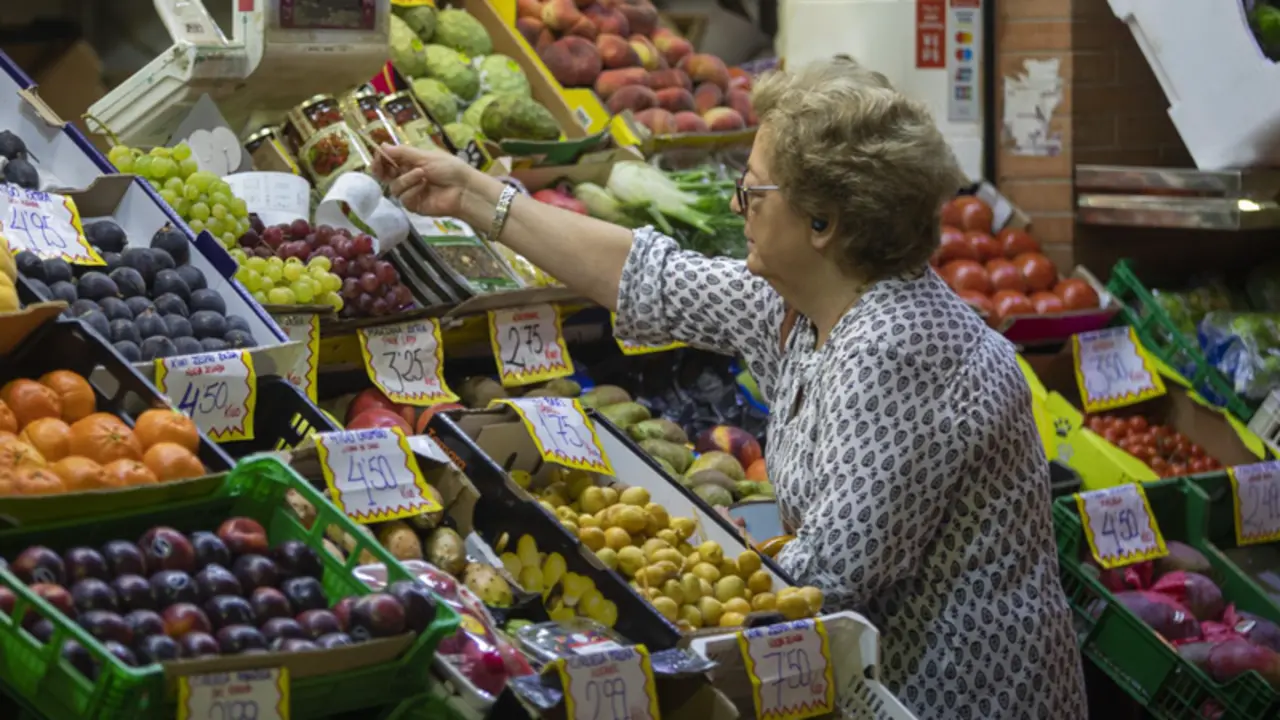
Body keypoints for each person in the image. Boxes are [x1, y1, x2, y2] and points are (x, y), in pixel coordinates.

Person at [373, 56, 1087, 719]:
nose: (740, 200)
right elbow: (644, 275)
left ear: (823, 223)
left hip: (956, 693)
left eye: (754, 187)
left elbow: (829, 578)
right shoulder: (800, 299)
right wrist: (472, 196)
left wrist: (657, 610)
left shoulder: (898, 347)